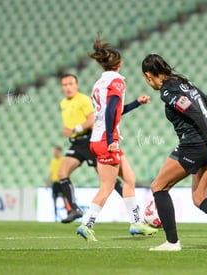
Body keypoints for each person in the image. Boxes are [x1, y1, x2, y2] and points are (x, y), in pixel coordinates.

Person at [141, 54, 207, 252]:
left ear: (148, 76)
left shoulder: (167, 91)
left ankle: (172, 243)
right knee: (200, 198)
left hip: (195, 144)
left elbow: (196, 113)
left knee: (158, 187)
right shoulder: (184, 83)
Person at [76, 38, 158, 241]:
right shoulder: (117, 81)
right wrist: (112, 138)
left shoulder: (99, 83)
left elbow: (113, 110)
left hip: (99, 138)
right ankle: (86, 224)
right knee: (108, 186)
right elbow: (111, 110)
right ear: (119, 64)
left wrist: (136, 104)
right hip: (106, 139)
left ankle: (136, 223)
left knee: (129, 179)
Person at [58, 73, 124, 224]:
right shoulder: (63, 103)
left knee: (107, 179)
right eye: (64, 85)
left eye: (70, 84)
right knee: (62, 172)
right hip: (76, 143)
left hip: (89, 139)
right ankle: (74, 209)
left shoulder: (83, 99)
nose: (68, 87)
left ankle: (131, 205)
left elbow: (91, 119)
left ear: (76, 85)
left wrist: (75, 129)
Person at [46, 145, 71, 220]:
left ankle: (69, 214)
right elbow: (51, 173)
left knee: (65, 199)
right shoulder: (52, 161)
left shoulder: (63, 160)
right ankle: (55, 216)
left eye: (56, 151)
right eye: (54, 151)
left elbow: (67, 171)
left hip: (62, 182)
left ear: (60, 152)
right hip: (55, 183)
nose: (55, 153)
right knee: (54, 199)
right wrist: (47, 183)